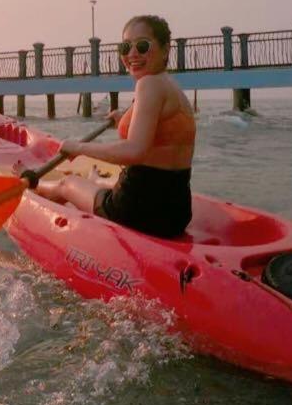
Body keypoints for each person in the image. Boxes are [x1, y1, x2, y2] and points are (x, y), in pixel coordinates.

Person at [37, 14, 195, 239]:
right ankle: (96, 181)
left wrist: (78, 148)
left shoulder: (148, 84)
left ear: (165, 49)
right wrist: (123, 118)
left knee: (67, 183)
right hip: (176, 212)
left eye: (142, 46)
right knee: (103, 182)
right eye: (125, 47)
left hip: (136, 210)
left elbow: (134, 150)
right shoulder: (168, 85)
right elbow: (157, 129)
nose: (132, 54)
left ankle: (29, 188)